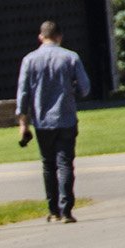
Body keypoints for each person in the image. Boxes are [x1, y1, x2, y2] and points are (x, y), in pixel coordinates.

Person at [16, 19, 92, 223]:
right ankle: (66, 209)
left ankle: (53, 210)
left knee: (48, 165)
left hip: (42, 121)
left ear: (41, 37)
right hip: (65, 117)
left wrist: (23, 122)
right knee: (65, 163)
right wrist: (71, 91)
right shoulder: (70, 57)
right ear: (59, 36)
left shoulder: (29, 60)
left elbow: (23, 93)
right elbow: (85, 88)